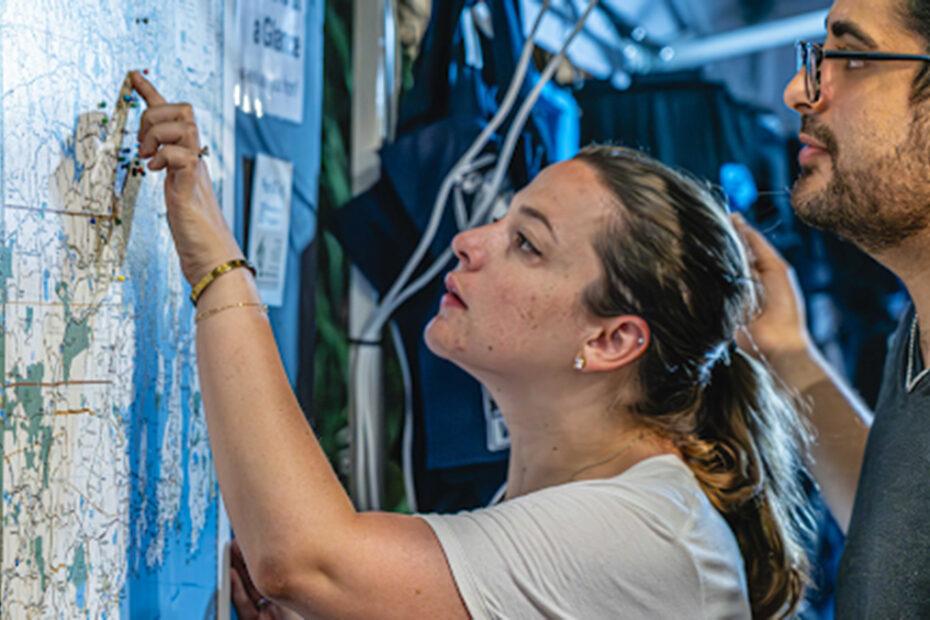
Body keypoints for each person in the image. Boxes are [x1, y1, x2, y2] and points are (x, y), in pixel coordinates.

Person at [131, 70, 813, 618]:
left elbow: (305, 559)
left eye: (526, 243)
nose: (468, 240)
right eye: (501, 218)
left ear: (611, 340)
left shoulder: (647, 532)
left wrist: (216, 263)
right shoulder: (574, 506)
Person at [732, 0, 930, 615]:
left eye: (850, 56)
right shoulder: (916, 328)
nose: (799, 91)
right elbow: (903, 534)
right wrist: (787, 352)